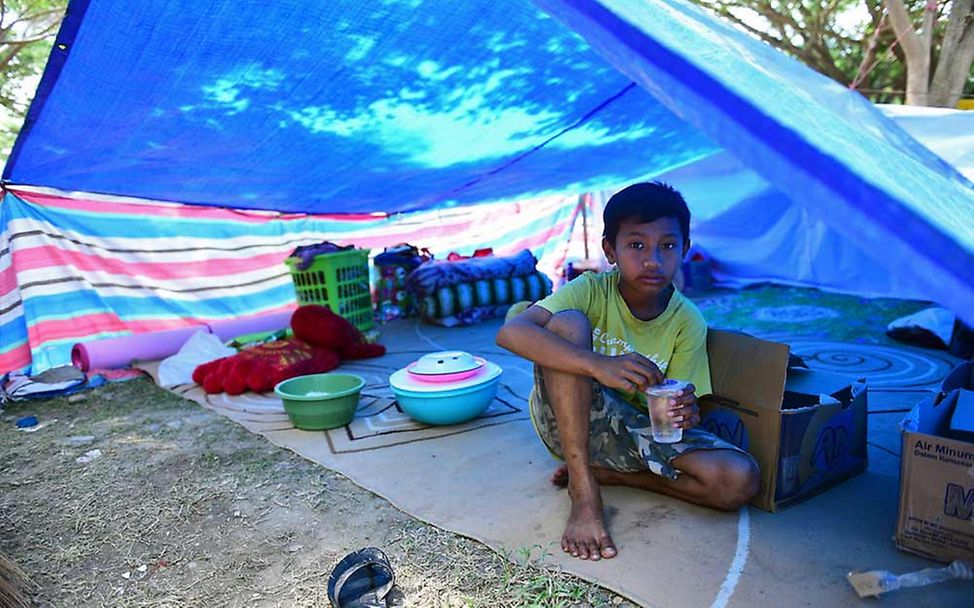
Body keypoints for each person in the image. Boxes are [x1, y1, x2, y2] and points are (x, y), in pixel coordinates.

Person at [496, 181, 759, 561]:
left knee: (737, 480)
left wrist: (688, 410)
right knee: (568, 325)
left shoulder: (687, 320)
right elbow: (512, 332)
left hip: (636, 432)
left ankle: (617, 476)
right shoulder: (590, 289)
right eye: (636, 245)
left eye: (667, 246)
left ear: (684, 249)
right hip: (571, 423)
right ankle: (584, 489)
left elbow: (688, 407)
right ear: (610, 250)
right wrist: (600, 365)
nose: (653, 259)